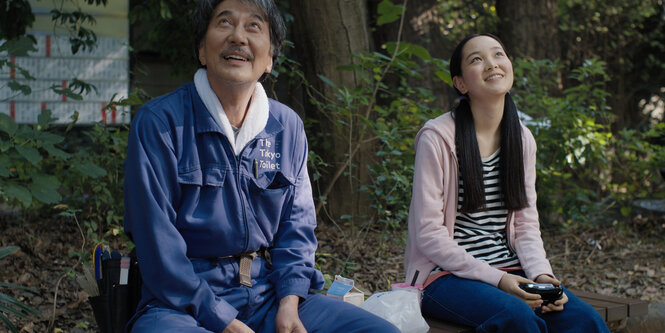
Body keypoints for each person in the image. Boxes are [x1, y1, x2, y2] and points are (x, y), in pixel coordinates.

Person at [123, 0, 400, 332]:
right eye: (224, 23)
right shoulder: (161, 122)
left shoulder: (287, 127)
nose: (238, 37)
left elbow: (296, 228)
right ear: (201, 49)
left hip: (267, 293)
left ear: (269, 58)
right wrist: (221, 319)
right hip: (180, 303)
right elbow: (156, 244)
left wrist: (289, 301)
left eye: (254, 26)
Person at [403, 33, 610, 332]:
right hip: (444, 278)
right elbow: (429, 234)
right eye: (477, 59)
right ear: (460, 83)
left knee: (585, 320)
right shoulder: (437, 138)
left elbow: (526, 224)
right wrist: (499, 280)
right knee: (518, 319)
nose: (491, 63)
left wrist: (541, 276)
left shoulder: (522, 139)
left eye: (498, 54)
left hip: (512, 271)